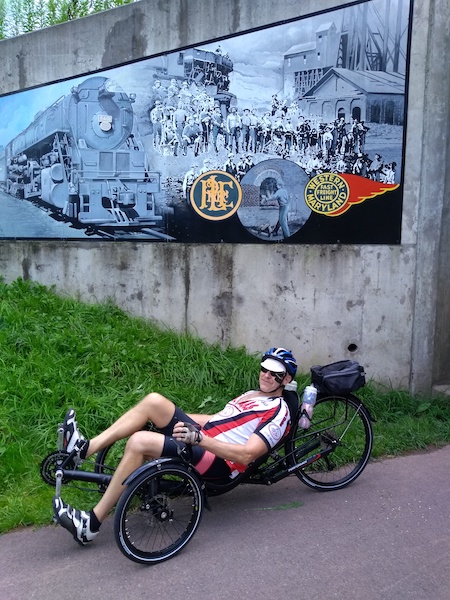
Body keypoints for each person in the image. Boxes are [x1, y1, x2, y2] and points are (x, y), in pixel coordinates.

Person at [53, 347, 298, 546]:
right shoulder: (251, 394)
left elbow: (247, 455)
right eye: (264, 369)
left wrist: (200, 439)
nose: (266, 375)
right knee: (154, 402)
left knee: (139, 441)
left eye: (274, 373)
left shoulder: (278, 413)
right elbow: (216, 419)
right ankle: (82, 450)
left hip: (221, 464)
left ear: (286, 379)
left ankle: (90, 524)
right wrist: (171, 417)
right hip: (204, 440)